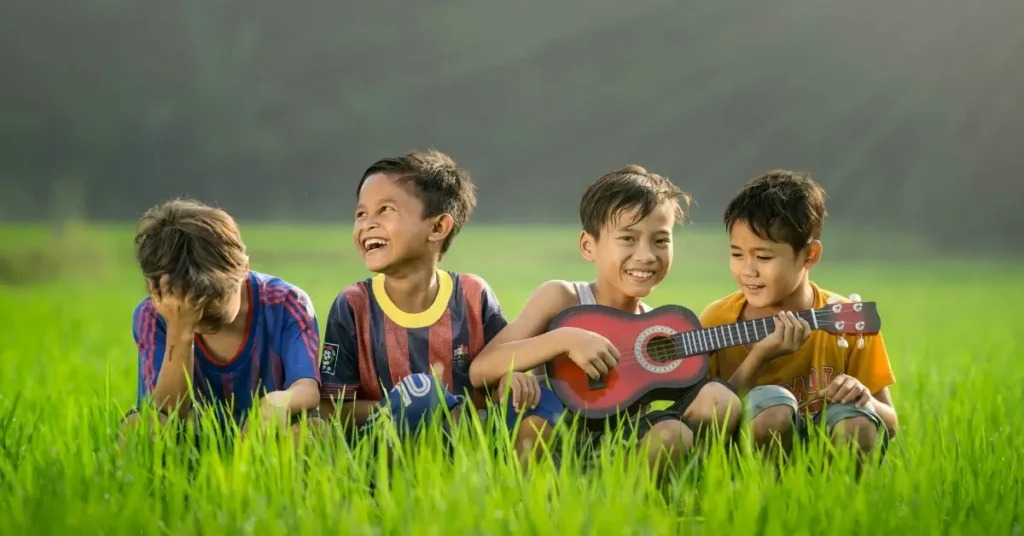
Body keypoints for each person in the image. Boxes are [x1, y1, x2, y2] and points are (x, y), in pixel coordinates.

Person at [468, 165, 742, 481]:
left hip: (623, 451)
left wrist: (764, 351)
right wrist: (566, 340)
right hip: (554, 442)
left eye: (660, 241)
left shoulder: (658, 329)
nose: (646, 255)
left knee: (693, 419)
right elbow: (481, 368)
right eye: (628, 238)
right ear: (588, 245)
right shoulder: (563, 297)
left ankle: (648, 502)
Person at [318, 150, 564, 464]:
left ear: (438, 227)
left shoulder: (474, 295)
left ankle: (515, 490)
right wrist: (425, 405)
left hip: (470, 442)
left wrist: (511, 380)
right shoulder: (353, 305)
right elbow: (333, 407)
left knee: (543, 397)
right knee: (422, 391)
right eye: (361, 214)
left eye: (385, 210)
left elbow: (499, 368)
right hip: (386, 450)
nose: (368, 224)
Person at [699, 169, 898, 466]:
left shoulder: (846, 320)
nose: (747, 271)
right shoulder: (718, 318)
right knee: (772, 413)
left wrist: (865, 400)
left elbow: (891, 424)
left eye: (764, 257)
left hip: (823, 450)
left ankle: (838, 507)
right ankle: (769, 504)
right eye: (737, 254)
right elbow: (705, 424)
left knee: (858, 424)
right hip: (745, 460)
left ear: (810, 255)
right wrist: (760, 357)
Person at [122, 199, 324, 448]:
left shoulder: (286, 303)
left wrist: (278, 402)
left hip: (268, 439)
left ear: (243, 269)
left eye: (209, 300)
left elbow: (308, 387)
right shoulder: (153, 316)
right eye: (184, 303)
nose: (196, 312)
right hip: (191, 444)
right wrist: (180, 330)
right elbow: (167, 414)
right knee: (141, 427)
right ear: (157, 291)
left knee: (314, 430)